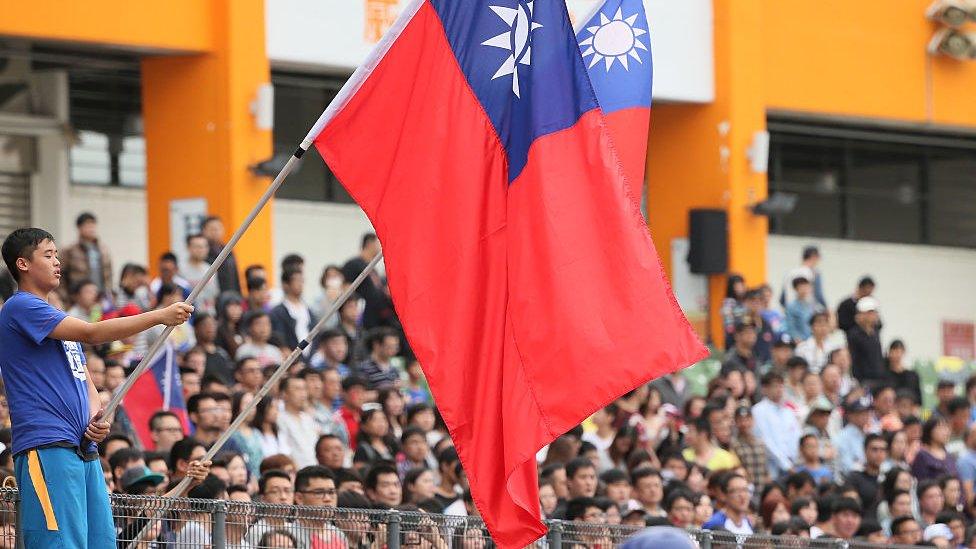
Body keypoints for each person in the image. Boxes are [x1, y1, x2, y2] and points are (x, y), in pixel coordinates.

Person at [0, 227, 194, 548]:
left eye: (57, 255)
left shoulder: (54, 317)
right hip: (48, 445)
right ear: (22, 264)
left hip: (84, 449)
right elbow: (92, 333)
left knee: (101, 542)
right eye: (48, 255)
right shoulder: (21, 307)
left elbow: (85, 380)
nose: (57, 262)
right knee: (61, 543)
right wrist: (159, 316)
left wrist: (98, 419)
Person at [751, 372, 801, 479]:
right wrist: (786, 465)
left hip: (794, 464)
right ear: (764, 389)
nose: (779, 389)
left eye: (781, 386)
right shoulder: (758, 410)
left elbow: (796, 436)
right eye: (775, 386)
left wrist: (796, 463)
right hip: (772, 467)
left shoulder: (788, 412)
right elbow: (765, 441)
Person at [342, 233, 396, 329]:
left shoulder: (373, 268)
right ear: (370, 244)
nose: (380, 247)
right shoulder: (353, 264)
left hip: (378, 318)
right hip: (364, 318)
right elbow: (347, 289)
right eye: (378, 243)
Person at [60, 212, 113, 302]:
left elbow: (109, 274)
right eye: (87, 225)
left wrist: (109, 293)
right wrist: (65, 297)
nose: (91, 228)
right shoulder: (70, 250)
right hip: (78, 299)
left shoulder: (103, 249)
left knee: (100, 316)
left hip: (100, 297)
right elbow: (61, 275)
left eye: (93, 225)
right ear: (79, 228)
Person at [276, 376, 322, 468]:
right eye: (297, 389)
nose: (303, 394)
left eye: (304, 389)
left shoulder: (308, 418)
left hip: (315, 468)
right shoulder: (279, 419)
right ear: (284, 394)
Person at [269, 268, 318, 352]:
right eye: (297, 281)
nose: (300, 284)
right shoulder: (277, 312)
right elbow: (279, 336)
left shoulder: (308, 310)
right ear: (286, 284)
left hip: (310, 358)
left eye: (302, 281)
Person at [846, 297, 885, 386]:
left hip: (879, 379)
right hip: (863, 381)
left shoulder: (875, 332)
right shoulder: (854, 334)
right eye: (870, 313)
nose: (874, 315)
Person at [729, 406, 770, 488]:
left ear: (752, 420)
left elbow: (766, 469)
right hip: (745, 488)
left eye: (747, 419)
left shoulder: (761, 443)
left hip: (763, 487)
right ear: (736, 422)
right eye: (740, 420)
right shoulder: (733, 444)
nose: (744, 423)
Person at [845, 434, 887, 515]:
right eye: (874, 449)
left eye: (882, 450)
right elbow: (852, 506)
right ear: (865, 451)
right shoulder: (854, 477)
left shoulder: (889, 477)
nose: (879, 454)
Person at [180, 233, 220, 315]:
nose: (201, 250)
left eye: (204, 246)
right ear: (189, 248)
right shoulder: (180, 270)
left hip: (209, 315)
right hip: (188, 316)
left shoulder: (210, 269)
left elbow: (215, 295)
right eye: (197, 247)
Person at [202, 216, 241, 294]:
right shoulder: (202, 253)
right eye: (212, 229)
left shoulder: (228, 250)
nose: (216, 232)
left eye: (218, 228)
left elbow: (236, 276)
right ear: (204, 231)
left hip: (231, 295)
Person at [912, 417, 959, 481]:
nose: (946, 432)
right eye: (941, 428)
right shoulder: (922, 456)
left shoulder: (950, 456)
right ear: (930, 431)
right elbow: (921, 482)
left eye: (947, 428)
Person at [835, 397, 872, 473]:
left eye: (867, 412)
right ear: (850, 415)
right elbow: (847, 466)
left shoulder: (868, 434)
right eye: (861, 413)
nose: (865, 416)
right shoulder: (843, 437)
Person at [785, 277, 822, 343]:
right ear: (796, 289)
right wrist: (796, 338)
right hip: (799, 341)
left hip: (813, 341)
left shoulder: (814, 305)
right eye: (801, 287)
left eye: (806, 287)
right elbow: (790, 326)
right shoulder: (791, 306)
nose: (804, 289)